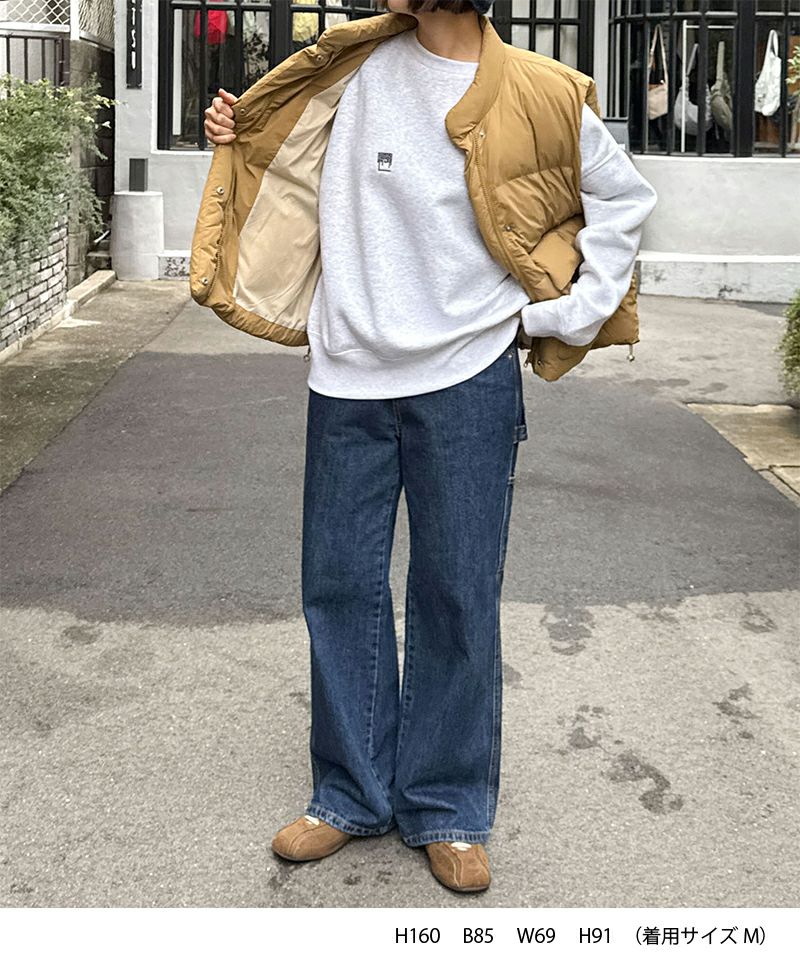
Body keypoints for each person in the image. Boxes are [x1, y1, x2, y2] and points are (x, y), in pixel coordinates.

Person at [201, 0, 657, 894]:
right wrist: (236, 130)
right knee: (339, 586)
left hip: (468, 375)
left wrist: (568, 314)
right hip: (347, 372)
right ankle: (350, 794)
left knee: (456, 590)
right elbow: (275, 147)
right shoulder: (347, 65)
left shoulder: (540, 91)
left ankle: (447, 806)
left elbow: (624, 197)